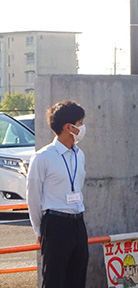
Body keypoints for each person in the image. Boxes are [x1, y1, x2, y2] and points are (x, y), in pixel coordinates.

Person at [27, 101, 89, 287]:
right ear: (67, 127)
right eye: (79, 123)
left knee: (78, 279)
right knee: (54, 280)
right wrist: (39, 230)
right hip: (55, 225)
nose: (82, 127)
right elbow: (34, 197)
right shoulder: (42, 157)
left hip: (78, 223)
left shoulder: (80, 155)